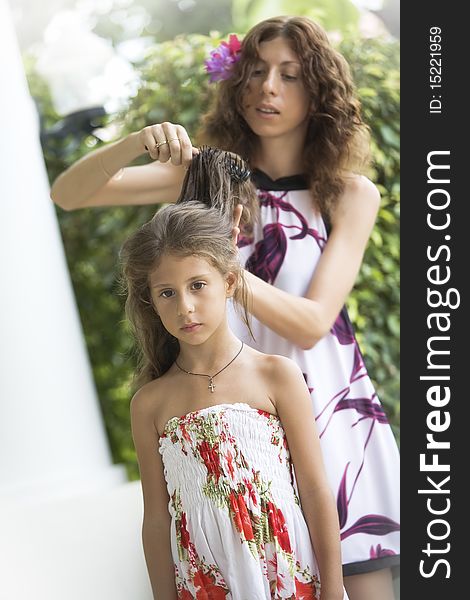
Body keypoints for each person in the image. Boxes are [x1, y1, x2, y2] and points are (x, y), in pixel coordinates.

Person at [51, 16, 400, 600]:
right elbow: (67, 193)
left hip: (327, 417)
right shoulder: (204, 179)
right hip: (233, 426)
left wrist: (221, 270)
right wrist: (138, 142)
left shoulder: (347, 193)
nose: (268, 87)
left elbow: (314, 324)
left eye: (289, 76)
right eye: (256, 71)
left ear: (318, 92)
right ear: (237, 83)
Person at [121, 187, 347, 599]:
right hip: (208, 584)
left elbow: (314, 490)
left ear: (228, 282)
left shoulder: (276, 375)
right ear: (151, 301)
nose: (185, 307)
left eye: (197, 285)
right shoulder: (149, 404)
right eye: (167, 293)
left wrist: (333, 591)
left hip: (290, 576)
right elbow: (156, 519)